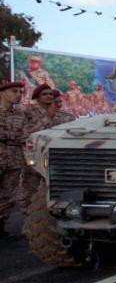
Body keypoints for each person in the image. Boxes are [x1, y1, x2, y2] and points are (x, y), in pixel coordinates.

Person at [21, 85, 75, 213]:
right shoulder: (28, 113)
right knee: (30, 189)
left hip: (57, 157)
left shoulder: (66, 116)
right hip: (34, 156)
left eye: (51, 94)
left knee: (57, 189)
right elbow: (27, 134)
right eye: (44, 94)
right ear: (37, 98)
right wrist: (48, 117)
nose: (49, 96)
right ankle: (27, 220)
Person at [0, 82, 28, 239]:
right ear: (2, 93)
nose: (18, 94)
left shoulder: (20, 114)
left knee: (7, 196)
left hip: (13, 159)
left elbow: (24, 136)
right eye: (14, 91)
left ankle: (1, 227)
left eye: (20, 92)